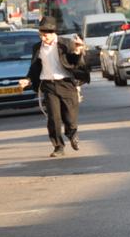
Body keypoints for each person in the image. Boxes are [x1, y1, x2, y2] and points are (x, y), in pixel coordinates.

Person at [19, 16, 90, 157]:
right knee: (54, 118)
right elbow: (34, 67)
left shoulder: (66, 44)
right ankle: (58, 146)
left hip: (66, 84)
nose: (43, 38)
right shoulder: (37, 48)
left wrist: (77, 51)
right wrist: (27, 80)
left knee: (70, 117)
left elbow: (75, 63)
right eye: (41, 35)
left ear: (53, 33)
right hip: (48, 85)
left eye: (45, 35)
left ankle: (72, 134)